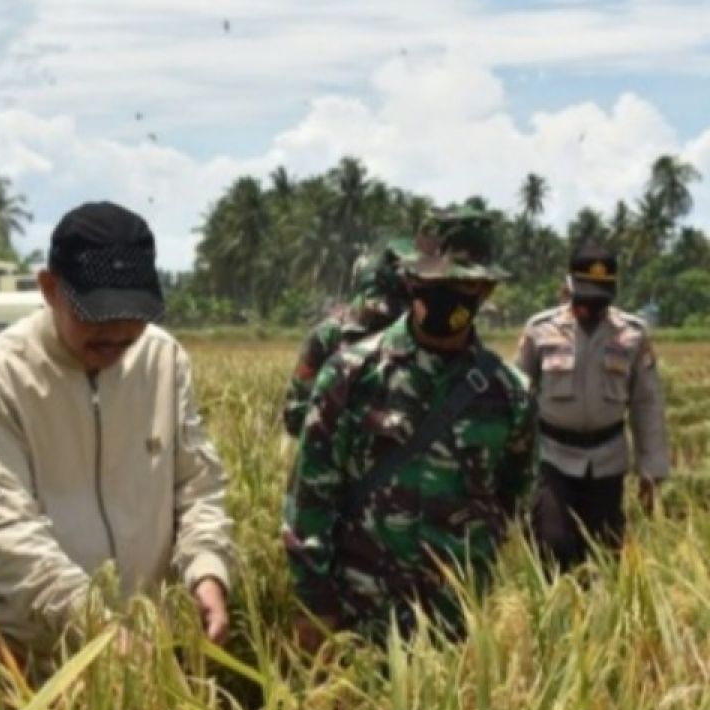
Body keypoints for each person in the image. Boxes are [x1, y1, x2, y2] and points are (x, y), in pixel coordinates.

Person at [0, 201, 235, 710]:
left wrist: (206, 569)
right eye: (97, 320)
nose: (119, 337)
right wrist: (98, 623)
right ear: (50, 288)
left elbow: (197, 486)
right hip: (16, 651)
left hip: (136, 652)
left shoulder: (163, 360)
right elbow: (5, 530)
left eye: (134, 322)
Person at [282, 206, 536, 649]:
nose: (444, 295)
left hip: (458, 627)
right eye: (433, 282)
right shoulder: (351, 375)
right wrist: (315, 607)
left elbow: (511, 499)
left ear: (485, 289)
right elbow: (311, 500)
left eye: (462, 285)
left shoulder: (508, 393)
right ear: (412, 279)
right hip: (357, 619)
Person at [515, 242, 669, 570]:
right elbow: (519, 397)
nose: (589, 309)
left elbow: (647, 403)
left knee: (603, 553)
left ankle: (594, 617)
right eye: (583, 300)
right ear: (569, 287)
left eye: (598, 302)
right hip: (553, 456)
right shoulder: (540, 330)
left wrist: (651, 471)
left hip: (607, 459)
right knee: (552, 542)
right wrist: (513, 464)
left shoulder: (631, 334)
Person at [282, 238, 413, 437]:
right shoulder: (327, 336)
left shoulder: (419, 337)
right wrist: (361, 418)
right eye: (375, 313)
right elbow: (295, 415)